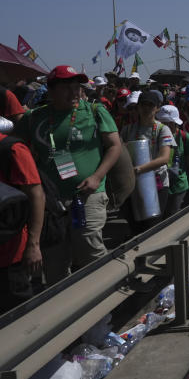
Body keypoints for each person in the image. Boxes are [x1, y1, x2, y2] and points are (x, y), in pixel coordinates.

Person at [15, 66, 123, 284]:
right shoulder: (35, 118)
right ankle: (66, 310)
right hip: (51, 202)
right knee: (55, 261)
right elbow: (15, 148)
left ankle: (105, 301)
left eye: (77, 87)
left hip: (87, 194)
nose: (74, 92)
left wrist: (96, 177)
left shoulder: (95, 111)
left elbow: (114, 146)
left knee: (88, 247)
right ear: (51, 90)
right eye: (67, 88)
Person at [0, 127, 44, 313]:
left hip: (9, 258)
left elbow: (37, 196)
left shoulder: (12, 149)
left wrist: (33, 245)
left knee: (18, 319)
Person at [121, 90, 174, 226]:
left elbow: (164, 158)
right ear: (137, 107)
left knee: (152, 226)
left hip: (157, 184)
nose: (146, 108)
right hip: (132, 185)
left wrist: (139, 169)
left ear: (157, 108)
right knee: (134, 225)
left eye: (150, 105)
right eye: (143, 104)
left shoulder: (162, 129)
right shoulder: (127, 130)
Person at [157, 105, 189, 217]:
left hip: (179, 183)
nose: (165, 125)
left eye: (169, 122)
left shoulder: (185, 137)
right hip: (160, 184)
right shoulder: (155, 136)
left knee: (172, 214)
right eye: (162, 122)